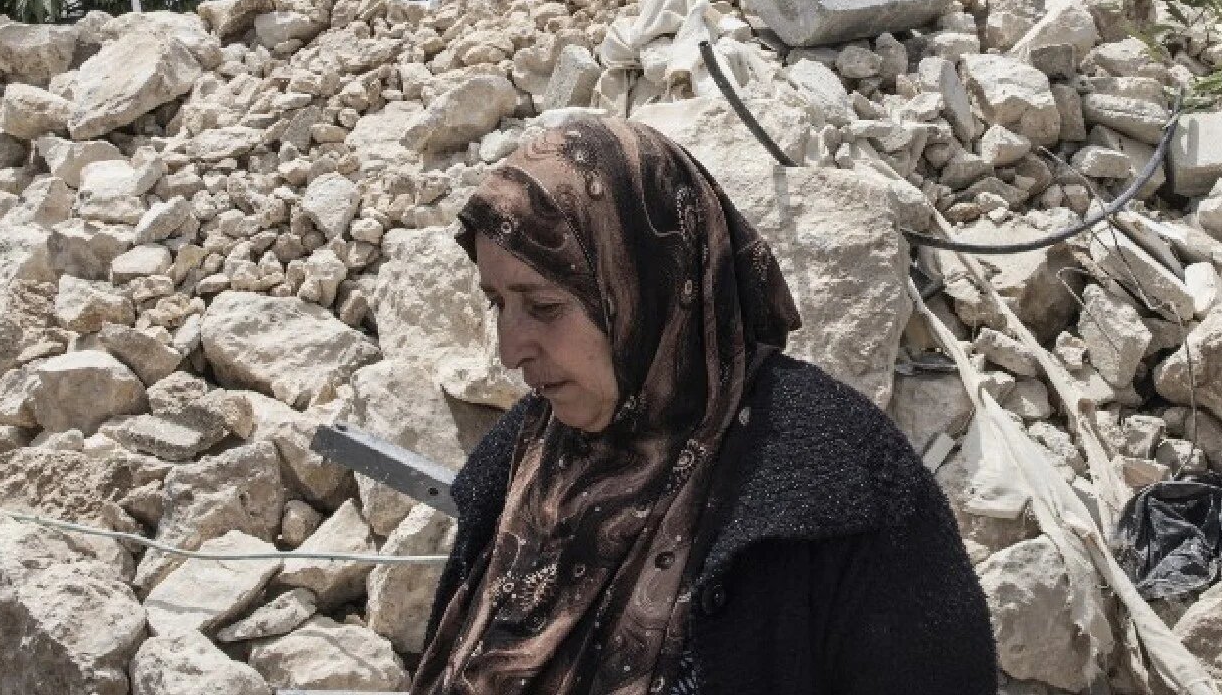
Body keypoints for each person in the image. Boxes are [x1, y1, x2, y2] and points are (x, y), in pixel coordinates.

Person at [411, 116, 996, 695]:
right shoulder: (530, 452)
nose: (510, 351)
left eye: (542, 307)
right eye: (496, 304)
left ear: (644, 287)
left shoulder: (843, 482)